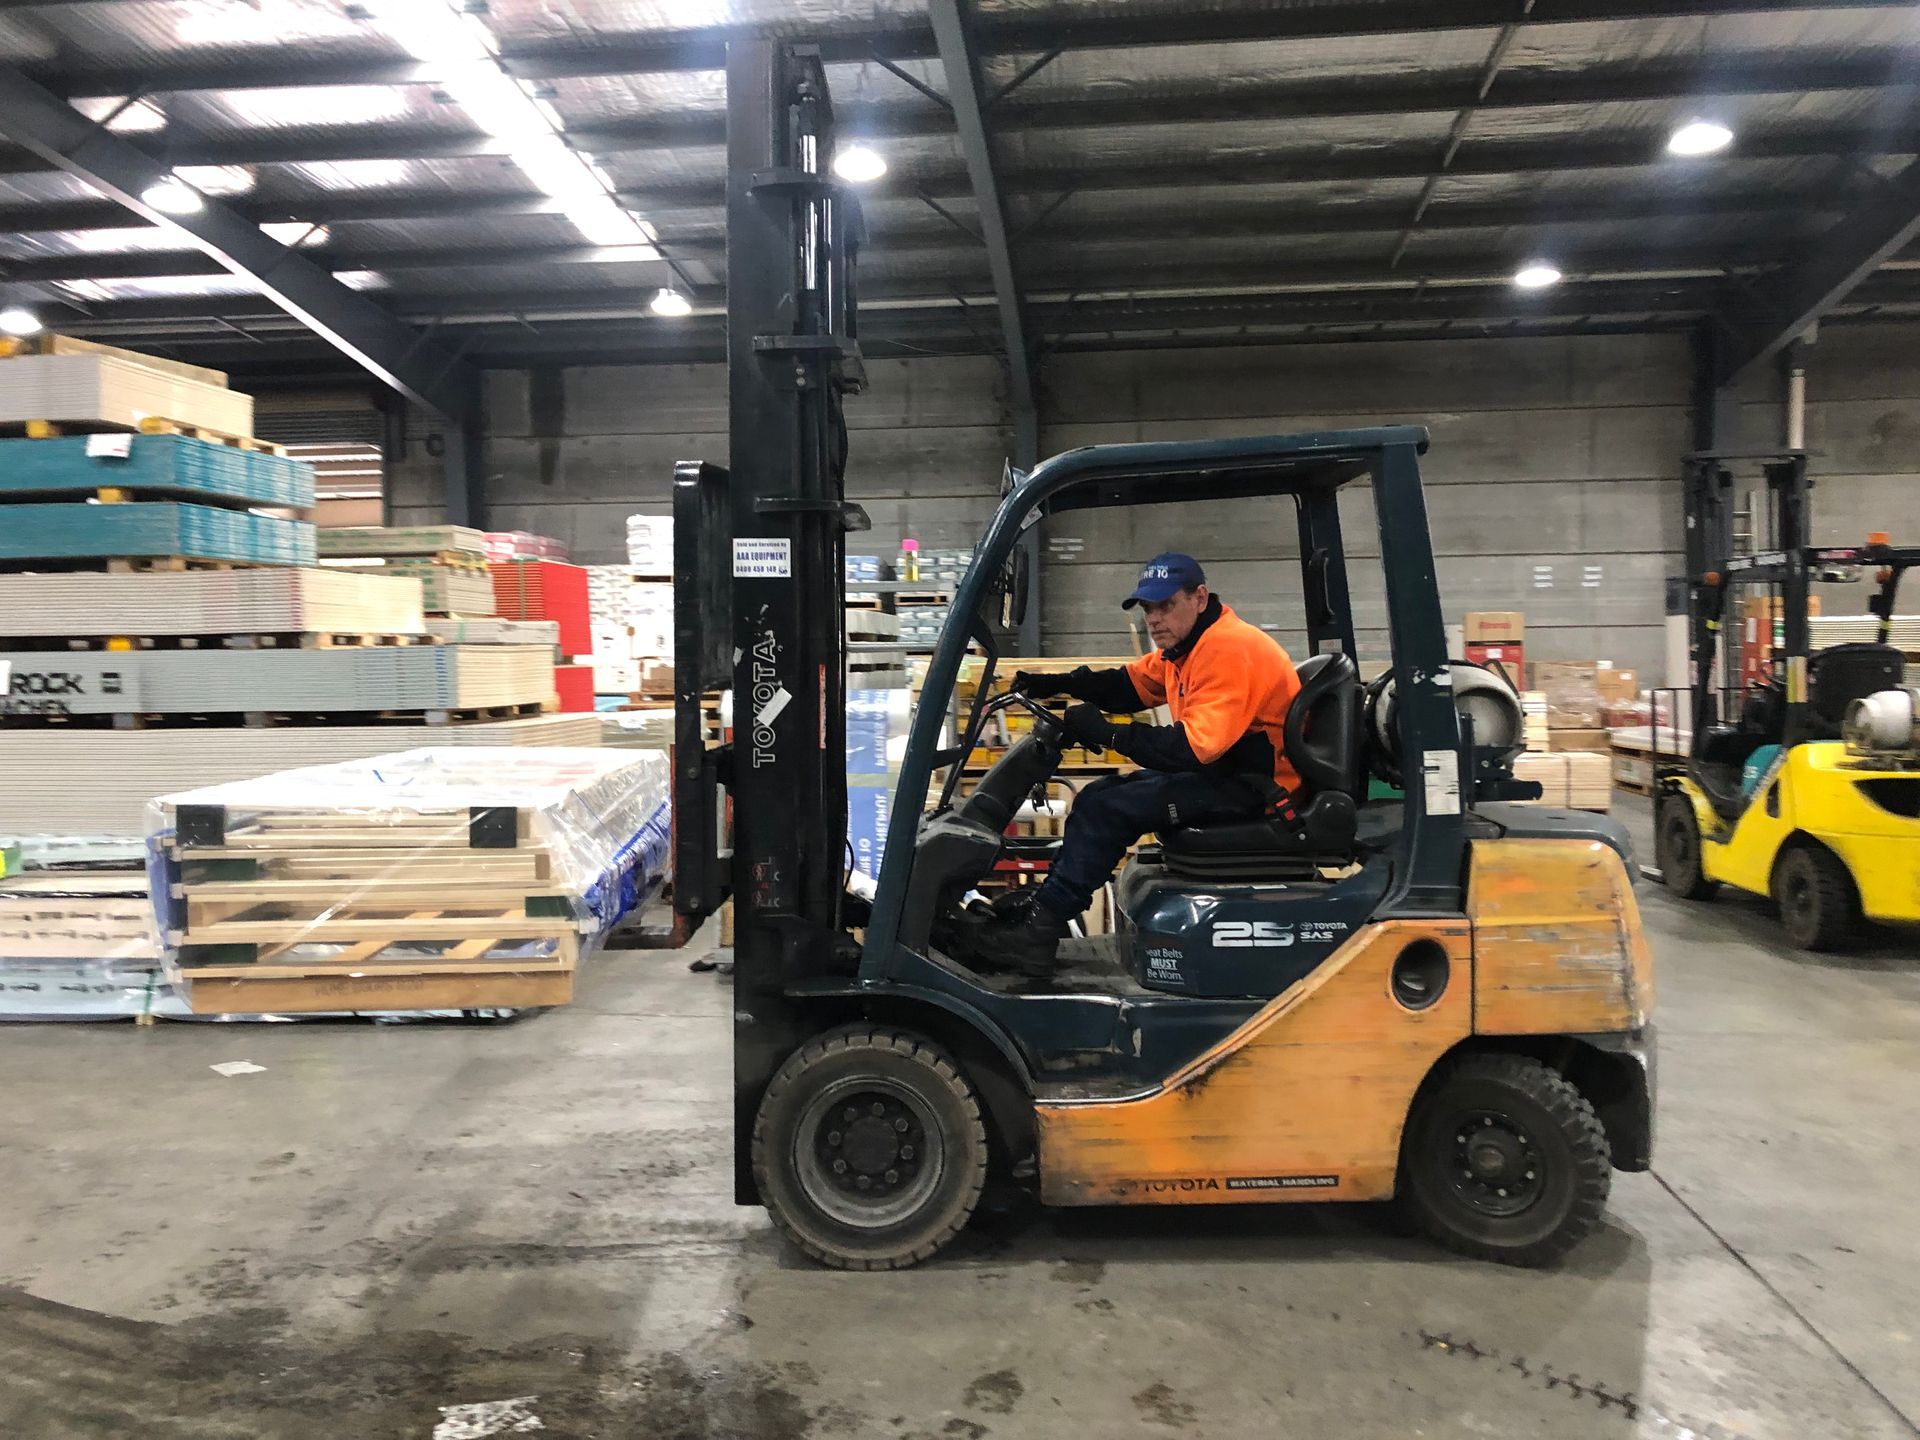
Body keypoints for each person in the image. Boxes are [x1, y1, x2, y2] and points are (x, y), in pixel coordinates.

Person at [984, 552, 1302, 977]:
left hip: (1258, 789)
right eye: (1148, 608)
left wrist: (1108, 733)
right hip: (1230, 773)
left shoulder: (1228, 649)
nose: (1153, 619)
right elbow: (1129, 685)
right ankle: (1047, 908)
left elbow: (1192, 748)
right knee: (1100, 794)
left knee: (1106, 808)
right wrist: (1059, 684)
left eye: (1165, 605)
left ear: (1199, 598)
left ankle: (1038, 931)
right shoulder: (1186, 648)